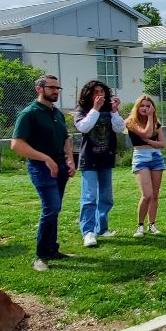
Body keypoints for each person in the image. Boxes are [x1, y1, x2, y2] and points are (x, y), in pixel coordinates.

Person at [11, 74, 76, 270]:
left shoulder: (57, 113)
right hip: (41, 167)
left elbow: (65, 138)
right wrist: (45, 158)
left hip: (60, 165)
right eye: (52, 88)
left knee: (55, 208)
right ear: (39, 89)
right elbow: (16, 145)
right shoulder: (29, 114)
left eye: (58, 88)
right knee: (51, 206)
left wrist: (70, 159)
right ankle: (41, 256)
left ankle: (52, 250)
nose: (56, 91)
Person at [73, 80, 126, 248]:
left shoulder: (109, 110)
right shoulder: (83, 110)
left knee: (105, 197)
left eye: (102, 92)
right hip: (89, 160)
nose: (99, 95)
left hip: (106, 158)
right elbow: (84, 127)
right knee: (89, 197)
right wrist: (95, 109)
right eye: (96, 92)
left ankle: (101, 228)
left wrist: (114, 111)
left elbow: (120, 128)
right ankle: (88, 232)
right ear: (89, 94)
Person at [125, 95, 166, 236]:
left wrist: (150, 142)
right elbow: (146, 132)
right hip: (141, 158)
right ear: (137, 107)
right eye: (142, 105)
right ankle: (140, 226)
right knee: (146, 195)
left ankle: (152, 224)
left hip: (156, 158)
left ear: (152, 108)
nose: (145, 108)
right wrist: (150, 118)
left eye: (148, 106)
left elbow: (162, 144)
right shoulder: (131, 122)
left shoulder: (156, 123)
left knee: (155, 195)